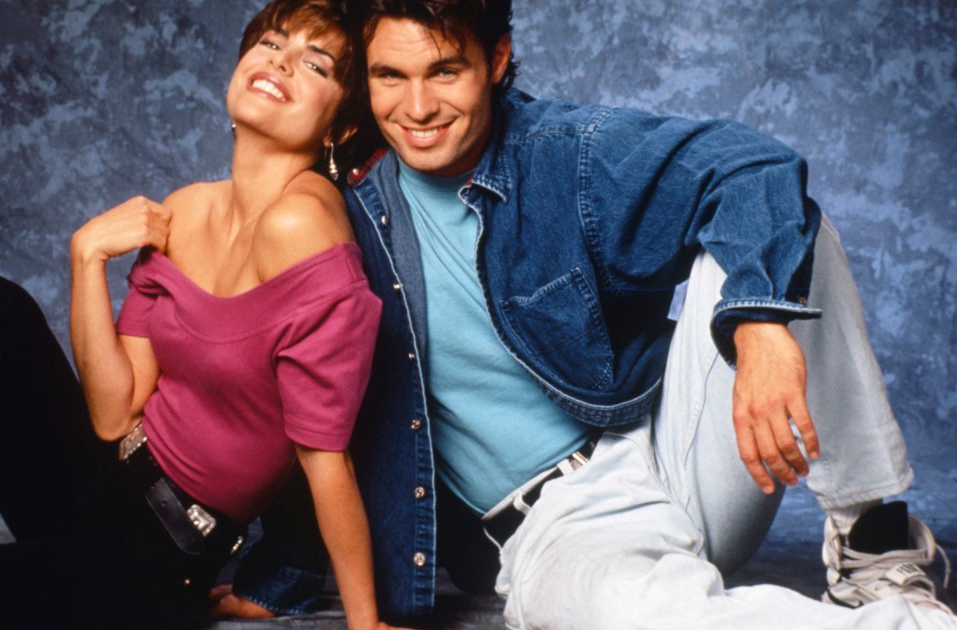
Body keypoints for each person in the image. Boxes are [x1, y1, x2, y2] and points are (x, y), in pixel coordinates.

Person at [217, 0, 957, 628]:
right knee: (648, 614)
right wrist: (279, 574)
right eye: (390, 76)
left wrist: (758, 324)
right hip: (559, 525)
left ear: (496, 60)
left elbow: (750, 166)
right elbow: (302, 400)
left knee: (788, 231)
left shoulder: (560, 152)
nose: (417, 108)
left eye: (444, 72)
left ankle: (872, 543)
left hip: (679, 445)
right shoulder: (341, 218)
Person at [0, 1, 402, 628]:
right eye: (272, 42)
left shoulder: (303, 223)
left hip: (155, 559)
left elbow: (326, 456)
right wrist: (86, 256)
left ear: (340, 124)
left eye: (315, 64)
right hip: (100, 485)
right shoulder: (188, 208)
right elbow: (114, 415)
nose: (281, 61)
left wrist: (367, 623)